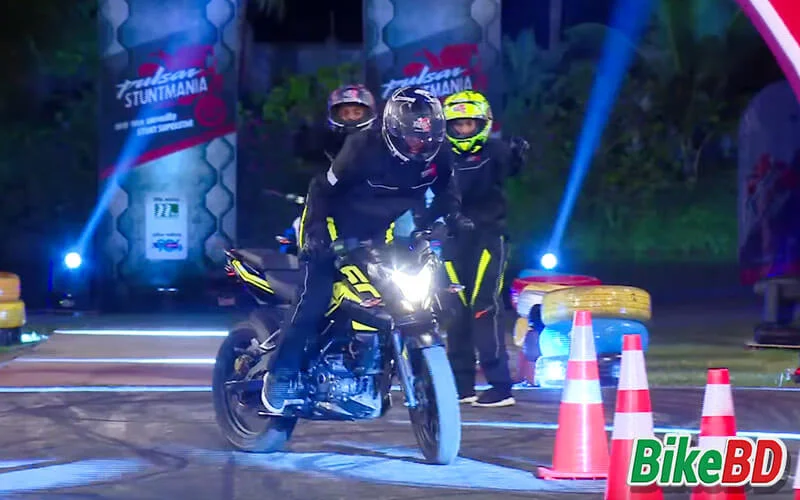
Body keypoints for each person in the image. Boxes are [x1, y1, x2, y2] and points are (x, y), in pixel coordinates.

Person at [262, 85, 474, 414]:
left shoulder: (438, 151)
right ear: (393, 130)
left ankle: (372, 365)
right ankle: (281, 374)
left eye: (428, 139)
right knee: (313, 299)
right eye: (413, 139)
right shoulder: (363, 147)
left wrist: (454, 217)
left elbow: (446, 188)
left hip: (377, 233)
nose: (420, 146)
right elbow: (321, 188)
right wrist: (316, 234)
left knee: (407, 294)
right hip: (328, 224)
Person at [424, 89, 530, 408]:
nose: (464, 129)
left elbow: (511, 166)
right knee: (454, 311)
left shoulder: (494, 151)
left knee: (484, 308)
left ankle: (500, 386)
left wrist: (518, 155)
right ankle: (462, 385)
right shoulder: (440, 157)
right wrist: (421, 224)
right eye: (458, 125)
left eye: (469, 124)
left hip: (487, 238)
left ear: (482, 124)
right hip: (453, 240)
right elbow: (435, 197)